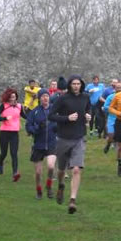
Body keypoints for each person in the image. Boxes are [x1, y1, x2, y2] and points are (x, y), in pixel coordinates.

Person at [48, 75, 91, 214]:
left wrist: (88, 116)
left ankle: (72, 200)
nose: (76, 86)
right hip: (63, 138)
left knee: (77, 169)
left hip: (79, 137)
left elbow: (88, 109)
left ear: (81, 85)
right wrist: (67, 118)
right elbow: (51, 115)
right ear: (69, 85)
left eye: (78, 83)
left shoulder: (85, 97)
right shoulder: (63, 98)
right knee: (61, 170)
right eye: (74, 84)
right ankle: (61, 185)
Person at [25, 88, 58, 200]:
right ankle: (39, 190)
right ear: (39, 98)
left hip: (52, 143)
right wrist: (37, 128)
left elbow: (61, 122)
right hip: (38, 145)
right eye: (43, 96)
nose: (45, 98)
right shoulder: (34, 112)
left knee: (50, 166)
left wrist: (57, 128)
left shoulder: (54, 110)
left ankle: (49, 186)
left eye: (47, 96)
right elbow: (28, 127)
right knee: (38, 173)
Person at [0, 88, 27, 181]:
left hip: (14, 133)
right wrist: (5, 118)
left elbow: (24, 116)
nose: (13, 98)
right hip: (4, 132)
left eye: (14, 97)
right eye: (11, 97)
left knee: (14, 153)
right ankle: (1, 163)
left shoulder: (19, 106)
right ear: (8, 98)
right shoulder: (3, 106)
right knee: (4, 153)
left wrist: (32, 118)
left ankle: (15, 173)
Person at [102, 81, 121, 154]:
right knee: (111, 135)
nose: (119, 89)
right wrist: (114, 108)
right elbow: (105, 107)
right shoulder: (110, 97)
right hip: (112, 119)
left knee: (119, 138)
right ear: (115, 88)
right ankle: (108, 144)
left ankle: (118, 154)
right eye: (118, 88)